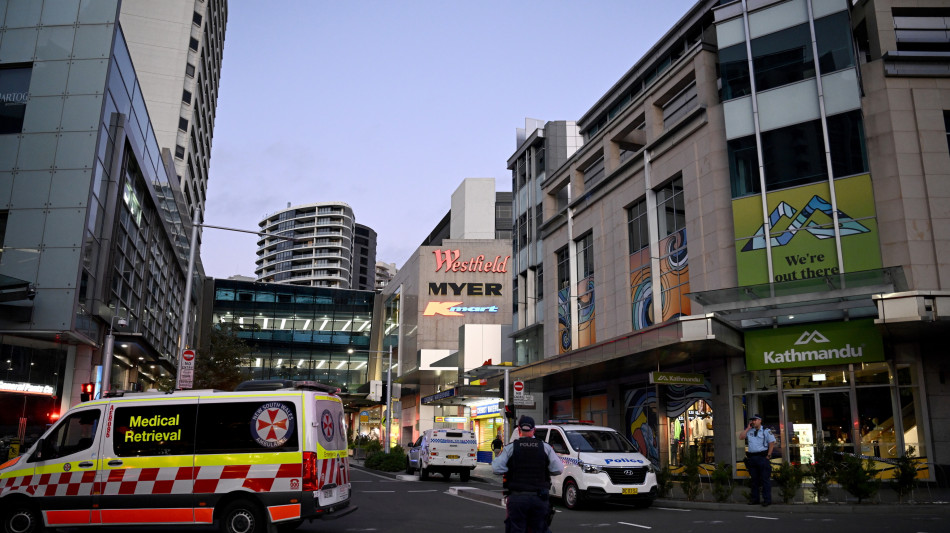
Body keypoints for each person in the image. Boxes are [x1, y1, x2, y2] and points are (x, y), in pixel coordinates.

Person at [492, 416, 564, 533]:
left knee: (516, 529)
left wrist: (511, 468)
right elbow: (558, 469)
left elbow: (496, 468)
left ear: (519, 430)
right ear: (534, 430)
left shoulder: (511, 448)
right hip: (539, 498)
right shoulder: (545, 447)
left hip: (517, 498)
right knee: (539, 529)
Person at [739, 413, 775, 506]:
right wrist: (747, 428)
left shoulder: (766, 431)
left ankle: (767, 500)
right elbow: (741, 437)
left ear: (760, 421)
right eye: (752, 420)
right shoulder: (750, 431)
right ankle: (755, 499)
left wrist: (769, 455)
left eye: (755, 420)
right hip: (752, 458)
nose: (753, 422)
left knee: (764, 480)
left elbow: (772, 442)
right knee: (754, 480)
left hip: (762, 457)